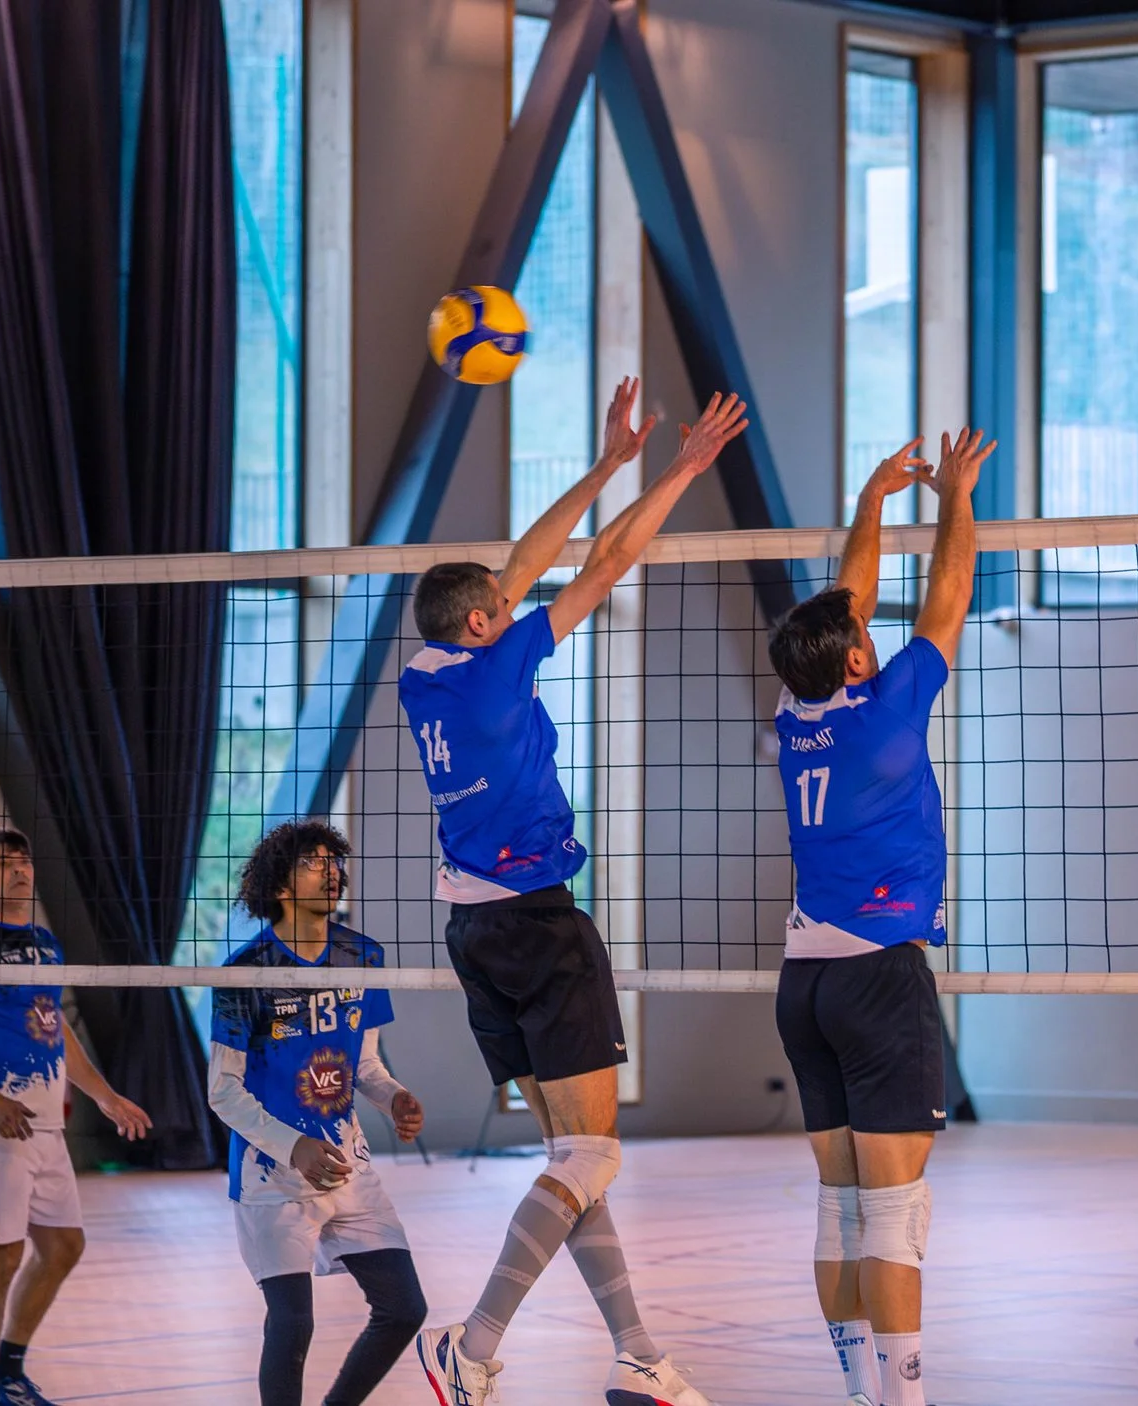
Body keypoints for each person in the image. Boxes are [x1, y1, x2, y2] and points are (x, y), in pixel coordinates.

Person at [404, 379, 744, 1406]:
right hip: (539, 928)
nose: (517, 603)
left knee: (572, 1155)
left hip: (474, 928)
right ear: (483, 623)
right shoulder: (500, 665)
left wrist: (604, 465)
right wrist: (678, 468)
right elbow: (602, 560)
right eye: (502, 607)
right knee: (593, 1152)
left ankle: (638, 1352)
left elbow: (518, 565)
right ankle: (472, 1340)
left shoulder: (428, 671)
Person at [767, 429, 994, 1406]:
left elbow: (841, 605)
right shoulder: (890, 708)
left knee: (841, 1211)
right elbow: (949, 592)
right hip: (877, 975)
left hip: (804, 982)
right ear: (861, 654)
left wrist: (867, 496)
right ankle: (901, 1400)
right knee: (895, 1215)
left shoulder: (794, 712)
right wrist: (950, 497)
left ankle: (862, 1391)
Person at [0, 828, 151, 1406]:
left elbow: (55, 1027)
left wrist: (104, 1095)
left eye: (24, 859)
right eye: (4, 863)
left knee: (63, 1247)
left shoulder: (46, 942)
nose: (20, 869)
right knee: (0, 1255)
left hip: (44, 1123)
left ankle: (11, 1369)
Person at [207, 821, 427, 1406]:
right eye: (314, 862)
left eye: (335, 861)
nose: (332, 871)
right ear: (281, 884)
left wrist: (394, 1096)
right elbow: (223, 1092)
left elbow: (366, 1068)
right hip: (271, 1174)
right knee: (292, 1324)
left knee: (405, 1308)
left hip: (345, 1162)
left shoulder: (362, 954)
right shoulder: (242, 974)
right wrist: (293, 1147)